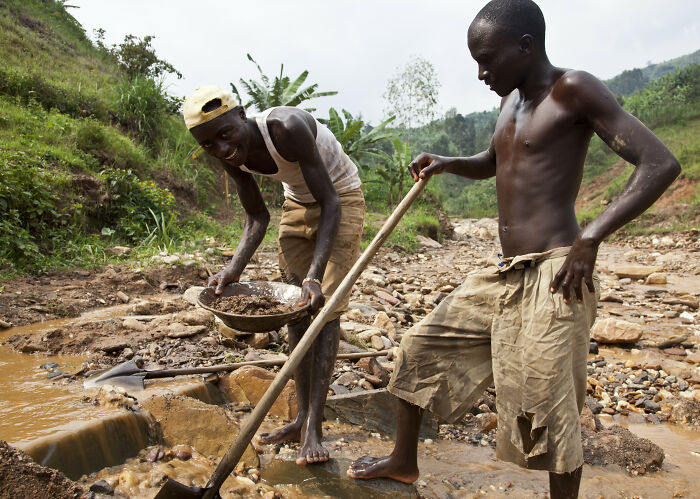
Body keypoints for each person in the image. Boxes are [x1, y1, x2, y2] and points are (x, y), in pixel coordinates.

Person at [346, 0, 680, 496]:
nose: (481, 72)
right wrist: (449, 161)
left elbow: (659, 163)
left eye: (488, 59)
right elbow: (496, 160)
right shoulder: (510, 101)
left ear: (526, 46)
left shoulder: (574, 90)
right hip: (506, 273)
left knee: (550, 405)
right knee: (419, 347)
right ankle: (403, 461)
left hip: (555, 273)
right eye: (475, 61)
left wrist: (590, 237)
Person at [183, 86, 365, 465]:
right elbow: (257, 216)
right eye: (208, 145)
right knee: (294, 309)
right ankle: (300, 417)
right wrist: (232, 270)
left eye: (225, 134)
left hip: (340, 199)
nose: (220, 147)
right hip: (297, 203)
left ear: (243, 115)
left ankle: (315, 425)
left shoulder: (287, 127)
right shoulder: (227, 153)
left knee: (325, 308)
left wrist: (314, 275)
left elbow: (330, 201)